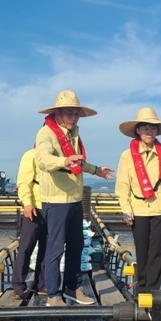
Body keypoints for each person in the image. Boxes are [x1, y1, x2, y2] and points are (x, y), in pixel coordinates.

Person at [35, 90, 114, 307]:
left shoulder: (73, 135)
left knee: (77, 245)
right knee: (55, 248)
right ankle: (53, 294)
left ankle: (73, 286)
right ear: (57, 113)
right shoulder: (46, 134)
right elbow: (43, 159)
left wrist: (97, 170)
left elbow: (77, 162)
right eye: (69, 113)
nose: (73, 117)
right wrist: (63, 161)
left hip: (74, 199)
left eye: (76, 114)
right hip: (56, 200)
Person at [115, 107, 161, 294]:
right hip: (138, 208)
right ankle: (141, 291)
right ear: (138, 131)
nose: (150, 132)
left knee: (157, 252)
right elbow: (123, 184)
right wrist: (125, 208)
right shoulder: (127, 156)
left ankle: (153, 292)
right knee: (142, 251)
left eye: (153, 128)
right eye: (146, 128)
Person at [11, 146, 47, 299]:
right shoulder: (30, 155)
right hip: (34, 207)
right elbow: (23, 182)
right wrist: (27, 203)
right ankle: (19, 284)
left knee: (48, 248)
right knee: (26, 246)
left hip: (53, 208)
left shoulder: (57, 158)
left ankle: (42, 284)